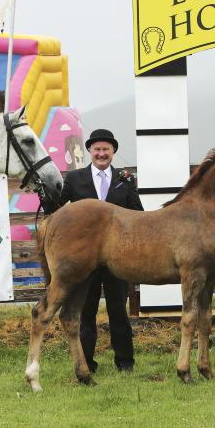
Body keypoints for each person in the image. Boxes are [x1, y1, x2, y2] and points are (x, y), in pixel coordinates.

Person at [57, 128, 143, 372]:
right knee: (86, 312)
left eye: (106, 149)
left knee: (119, 311)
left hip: (118, 258)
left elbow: (138, 214)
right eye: (97, 149)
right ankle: (87, 363)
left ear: (113, 151)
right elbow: (58, 209)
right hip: (86, 259)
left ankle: (125, 362)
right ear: (90, 151)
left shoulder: (125, 178)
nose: (102, 153)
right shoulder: (74, 179)